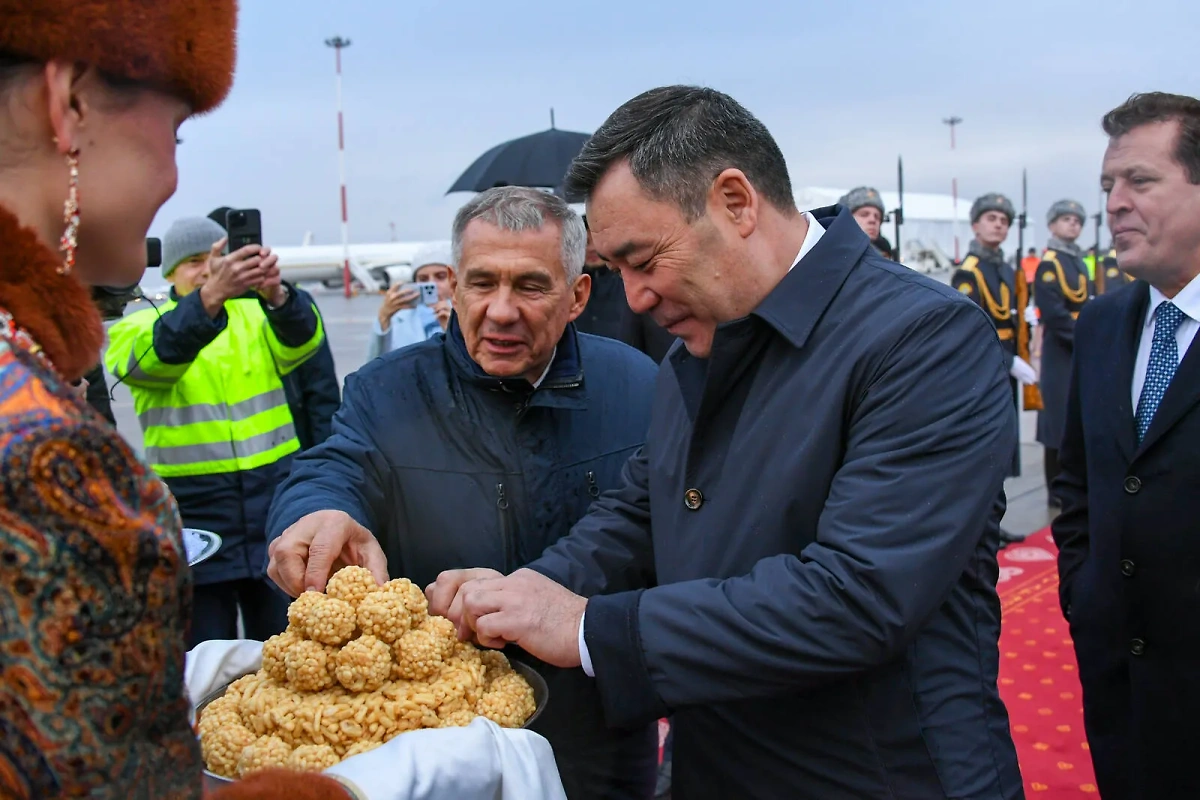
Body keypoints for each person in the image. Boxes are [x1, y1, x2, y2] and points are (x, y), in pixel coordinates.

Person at [404, 86, 1023, 798]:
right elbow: (640, 508)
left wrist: (587, 626)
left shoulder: (922, 340)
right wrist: (531, 588)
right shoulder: (698, 350)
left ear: (736, 202)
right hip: (718, 761)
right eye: (617, 270)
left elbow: (857, 596)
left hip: (876, 775)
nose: (632, 298)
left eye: (643, 260)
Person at [0, 2, 339, 797]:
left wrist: (280, 298)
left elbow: (305, 356)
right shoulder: (43, 451)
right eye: (176, 132)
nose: (174, 173)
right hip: (206, 515)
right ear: (70, 103)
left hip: (271, 502)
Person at [266, 187, 661, 800]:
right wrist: (318, 511)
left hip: (600, 721)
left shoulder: (639, 386)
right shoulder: (386, 390)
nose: (501, 310)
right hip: (446, 730)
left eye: (530, 286)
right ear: (452, 284)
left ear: (577, 294)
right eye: (481, 283)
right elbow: (336, 465)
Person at [1052, 91, 1200, 800]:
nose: (1113, 203)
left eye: (1139, 181)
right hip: (1121, 678)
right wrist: (1084, 593)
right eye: (1108, 184)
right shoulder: (1105, 322)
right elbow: (1078, 480)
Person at [105, 216, 325, 647]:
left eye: (216, 259)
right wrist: (209, 300)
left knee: (289, 645)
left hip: (271, 509)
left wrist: (277, 295)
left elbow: (306, 342)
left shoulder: (256, 313)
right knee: (205, 650)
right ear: (168, 272)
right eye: (193, 262)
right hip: (197, 516)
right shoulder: (139, 324)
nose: (208, 269)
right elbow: (154, 360)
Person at [209, 206, 341, 450]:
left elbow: (320, 387)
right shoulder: (196, 315)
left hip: (290, 450)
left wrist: (325, 454)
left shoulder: (288, 304)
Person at [1034, 199, 1091, 509]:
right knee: (1057, 419)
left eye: (1077, 220)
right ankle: (1055, 489)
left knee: (1076, 417)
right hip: (1061, 350)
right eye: (1066, 219)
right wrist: (1084, 337)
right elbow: (1054, 314)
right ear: (1052, 225)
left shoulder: (1079, 262)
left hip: (1079, 347)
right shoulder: (1050, 264)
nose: (1073, 224)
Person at [575, 214, 677, 363]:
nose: (590, 248)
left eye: (595, 241)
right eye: (584, 241)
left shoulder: (633, 282)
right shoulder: (569, 288)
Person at [366, 242, 454, 359]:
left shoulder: (464, 315)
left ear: (454, 280)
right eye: (423, 279)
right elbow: (373, 365)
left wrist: (453, 330)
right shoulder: (398, 319)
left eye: (441, 277)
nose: (431, 283)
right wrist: (383, 319)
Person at [838, 185, 894, 258]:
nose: (873, 220)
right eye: (864, 214)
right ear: (846, 219)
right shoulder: (831, 256)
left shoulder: (884, 256)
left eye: (877, 217)